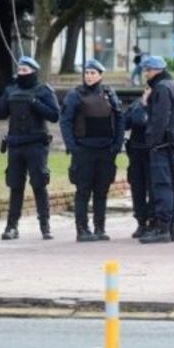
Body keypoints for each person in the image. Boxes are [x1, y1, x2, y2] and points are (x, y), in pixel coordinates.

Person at [0, 56, 60, 240]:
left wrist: (35, 103)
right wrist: (7, 93)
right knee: (15, 186)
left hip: (36, 145)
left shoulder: (42, 90)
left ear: (33, 71)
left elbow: (55, 115)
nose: (21, 73)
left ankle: (45, 226)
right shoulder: (12, 89)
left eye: (25, 70)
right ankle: (11, 226)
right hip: (15, 145)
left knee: (39, 184)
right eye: (20, 70)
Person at [59, 59, 124, 242]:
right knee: (83, 191)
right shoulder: (75, 95)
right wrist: (73, 148)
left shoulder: (109, 93)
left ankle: (100, 228)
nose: (89, 76)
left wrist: (116, 146)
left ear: (100, 75)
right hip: (84, 151)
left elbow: (119, 119)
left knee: (101, 191)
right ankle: (82, 229)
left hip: (105, 151)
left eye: (93, 73)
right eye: (86, 73)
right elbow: (65, 122)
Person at [139, 55, 174, 244]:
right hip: (173, 141)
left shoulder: (161, 88)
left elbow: (159, 118)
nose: (146, 74)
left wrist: (152, 141)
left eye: (147, 70)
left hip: (162, 143)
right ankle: (171, 226)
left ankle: (163, 227)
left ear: (154, 70)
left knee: (161, 185)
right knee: (171, 185)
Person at [124, 86, 153, 239]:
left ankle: (152, 220)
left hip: (153, 152)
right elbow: (128, 122)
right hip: (136, 151)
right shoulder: (137, 105)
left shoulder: (160, 105)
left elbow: (143, 122)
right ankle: (141, 221)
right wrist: (142, 104)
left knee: (153, 188)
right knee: (137, 188)